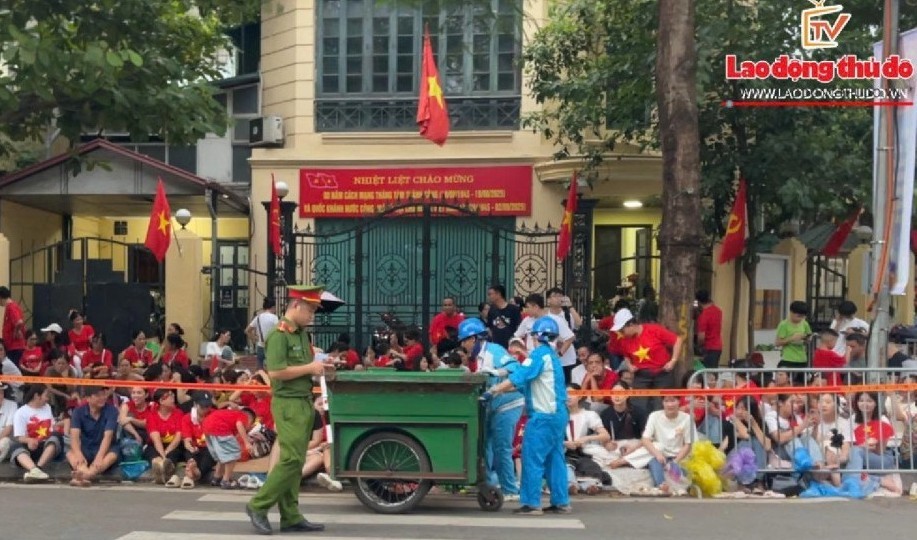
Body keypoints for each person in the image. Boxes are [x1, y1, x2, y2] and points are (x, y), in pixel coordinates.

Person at [246, 284, 335, 535]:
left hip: (303, 401)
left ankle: (290, 515)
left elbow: (305, 367)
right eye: (310, 310)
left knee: (295, 462)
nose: (312, 316)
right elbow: (276, 372)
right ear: (296, 305)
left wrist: (322, 365)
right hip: (288, 404)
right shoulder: (279, 335)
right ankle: (258, 505)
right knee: (292, 460)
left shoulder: (301, 335)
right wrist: (310, 368)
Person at [484, 316, 570, 516]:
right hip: (557, 415)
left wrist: (493, 390)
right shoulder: (552, 357)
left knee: (531, 457)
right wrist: (500, 390)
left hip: (543, 417)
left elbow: (518, 377)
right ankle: (561, 502)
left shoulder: (538, 356)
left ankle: (532, 503)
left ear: (535, 336)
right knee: (555, 459)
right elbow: (527, 384)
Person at [458, 317, 524, 501]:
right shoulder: (477, 358)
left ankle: (510, 490)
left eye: (464, 341)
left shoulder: (494, 350)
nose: (463, 345)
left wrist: (496, 372)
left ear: (474, 338)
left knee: (501, 447)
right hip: (492, 405)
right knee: (484, 446)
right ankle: (485, 484)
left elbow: (514, 367)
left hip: (508, 403)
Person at [611, 308, 683, 411]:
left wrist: (673, 360)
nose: (621, 333)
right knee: (638, 406)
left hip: (662, 372)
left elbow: (677, 340)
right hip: (641, 375)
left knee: (661, 405)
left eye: (622, 330)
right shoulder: (624, 340)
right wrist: (630, 365)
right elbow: (626, 354)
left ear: (631, 324)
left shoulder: (654, 330)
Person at [67, 386, 120, 487]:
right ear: (88, 398)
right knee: (70, 454)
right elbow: (74, 436)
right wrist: (78, 453)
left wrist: (99, 457)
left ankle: (82, 477)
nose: (102, 398)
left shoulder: (112, 411)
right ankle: (83, 476)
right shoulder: (78, 411)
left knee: (112, 456)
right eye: (97, 395)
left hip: (105, 448)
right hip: (86, 447)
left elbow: (108, 436)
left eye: (103, 395)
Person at [10, 384, 62, 482]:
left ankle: (38, 468)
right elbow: (19, 437)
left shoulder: (47, 407)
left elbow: (53, 427)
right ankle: (34, 470)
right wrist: (29, 440)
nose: (47, 399)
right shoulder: (21, 413)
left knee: (56, 437)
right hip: (30, 447)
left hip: (47, 446)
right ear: (37, 396)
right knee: (14, 445)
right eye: (46, 396)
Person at [775, 301, 812, 374]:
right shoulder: (784, 325)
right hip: (788, 359)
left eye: (803, 317)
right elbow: (777, 343)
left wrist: (806, 339)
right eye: (798, 316)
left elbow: (809, 336)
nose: (800, 319)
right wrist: (792, 338)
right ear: (791, 312)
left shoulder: (805, 324)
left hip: (802, 359)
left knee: (801, 380)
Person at [247, 297, 279, 371]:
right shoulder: (274, 318)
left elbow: (247, 330)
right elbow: (279, 331)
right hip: (271, 347)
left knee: (260, 370)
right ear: (273, 307)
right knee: (271, 370)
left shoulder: (258, 317)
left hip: (260, 347)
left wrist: (254, 339)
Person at [694, 290, 723, 369]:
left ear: (699, 302)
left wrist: (698, 346)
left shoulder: (703, 316)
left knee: (707, 373)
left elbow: (701, 337)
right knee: (713, 371)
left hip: (708, 347)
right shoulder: (718, 311)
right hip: (718, 346)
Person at [0, 286, 27, 366]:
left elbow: (19, 322)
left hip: (15, 347)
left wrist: (16, 331)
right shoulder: (10, 307)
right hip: (12, 346)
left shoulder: (11, 307)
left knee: (11, 370)